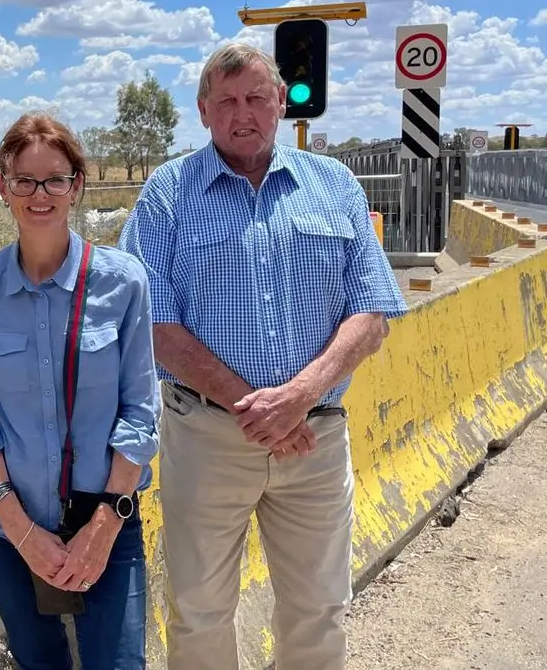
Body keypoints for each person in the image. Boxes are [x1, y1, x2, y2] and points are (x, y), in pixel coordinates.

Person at [118, 44, 407, 670]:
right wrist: (258, 410)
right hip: (208, 437)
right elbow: (154, 326)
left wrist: (297, 398)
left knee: (319, 609)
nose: (241, 113)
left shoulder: (336, 187)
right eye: (225, 101)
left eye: (255, 97)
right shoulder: (167, 195)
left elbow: (372, 313)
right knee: (197, 612)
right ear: (202, 112)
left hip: (316, 440)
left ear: (282, 102)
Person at [0, 112, 160, 670]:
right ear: (3, 188)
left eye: (55, 179)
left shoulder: (124, 283)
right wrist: (21, 531)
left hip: (105, 525)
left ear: (77, 185)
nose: (40, 194)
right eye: (24, 180)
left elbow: (141, 414)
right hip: (7, 531)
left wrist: (103, 526)